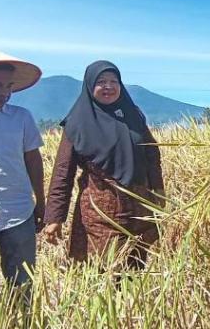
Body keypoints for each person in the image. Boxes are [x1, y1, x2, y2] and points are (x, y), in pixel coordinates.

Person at [43, 61, 164, 269]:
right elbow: (63, 172)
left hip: (139, 213)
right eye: (101, 82)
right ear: (90, 86)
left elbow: (152, 156)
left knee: (136, 272)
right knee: (104, 273)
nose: (108, 86)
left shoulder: (133, 116)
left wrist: (159, 194)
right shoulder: (77, 123)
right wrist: (55, 217)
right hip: (100, 216)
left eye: (113, 81)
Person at [0, 48, 45, 289]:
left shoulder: (21, 118)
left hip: (17, 212)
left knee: (22, 283)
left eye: (8, 86)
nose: (4, 93)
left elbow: (33, 160)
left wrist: (41, 201)